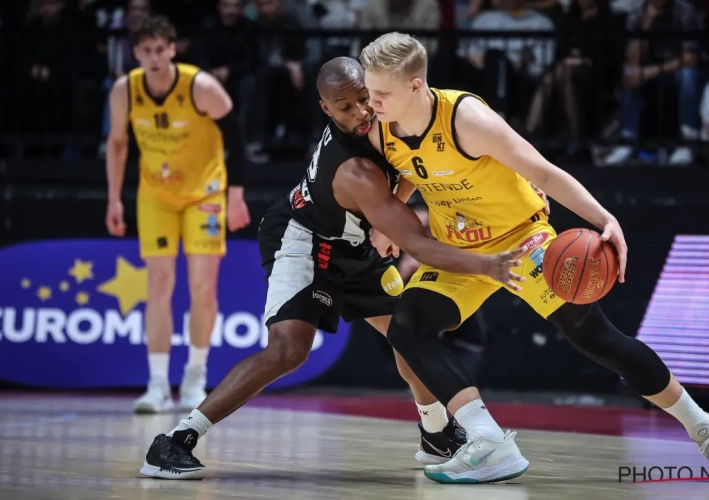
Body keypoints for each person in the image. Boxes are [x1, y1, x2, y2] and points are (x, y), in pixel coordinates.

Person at [359, 32, 709, 484]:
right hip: (460, 251)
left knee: (599, 339)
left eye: (381, 93)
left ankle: (708, 431)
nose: (372, 102)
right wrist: (389, 218)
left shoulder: (467, 119)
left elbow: (543, 170)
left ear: (415, 86)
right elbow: (411, 168)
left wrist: (604, 217)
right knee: (408, 326)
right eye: (369, 91)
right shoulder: (380, 126)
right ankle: (486, 441)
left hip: (523, 241)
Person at [138, 57, 526, 479]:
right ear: (326, 109)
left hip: (356, 243)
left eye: (365, 99)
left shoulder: (385, 120)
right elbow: (417, 242)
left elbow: (410, 167)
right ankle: (176, 440)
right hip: (305, 239)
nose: (360, 112)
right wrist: (487, 264)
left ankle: (436, 434)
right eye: (345, 107)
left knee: (409, 332)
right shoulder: (355, 170)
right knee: (290, 349)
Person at [105, 16, 251, 414]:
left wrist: (236, 196)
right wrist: (114, 199)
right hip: (155, 196)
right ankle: (155, 385)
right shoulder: (125, 91)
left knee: (202, 287)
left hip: (204, 195)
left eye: (160, 49)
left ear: (172, 49)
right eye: (145, 50)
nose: (153, 57)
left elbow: (235, 140)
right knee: (159, 285)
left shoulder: (199, 86)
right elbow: (117, 145)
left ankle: (194, 379)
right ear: (136, 53)